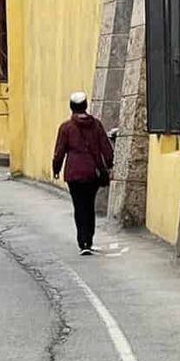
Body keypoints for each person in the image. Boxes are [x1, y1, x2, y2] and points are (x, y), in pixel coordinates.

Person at [52, 91, 114, 255]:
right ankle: (89, 239)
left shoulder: (66, 127)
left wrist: (56, 169)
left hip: (73, 173)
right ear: (85, 105)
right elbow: (106, 147)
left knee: (79, 207)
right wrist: (109, 164)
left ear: (71, 107)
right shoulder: (96, 125)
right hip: (92, 172)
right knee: (89, 206)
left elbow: (59, 151)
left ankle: (83, 242)